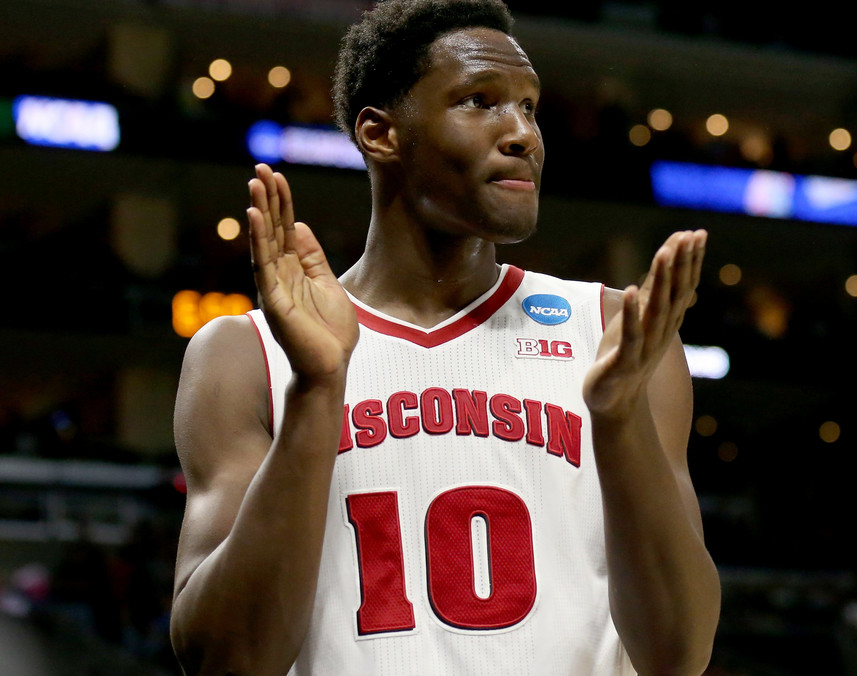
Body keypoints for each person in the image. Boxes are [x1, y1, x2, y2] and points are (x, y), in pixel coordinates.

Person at [168, 1, 721, 674]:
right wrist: (317, 389)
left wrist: (617, 420)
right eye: (480, 102)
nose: (522, 133)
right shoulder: (245, 355)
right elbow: (224, 660)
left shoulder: (616, 336)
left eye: (530, 107)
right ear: (381, 134)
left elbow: (680, 654)